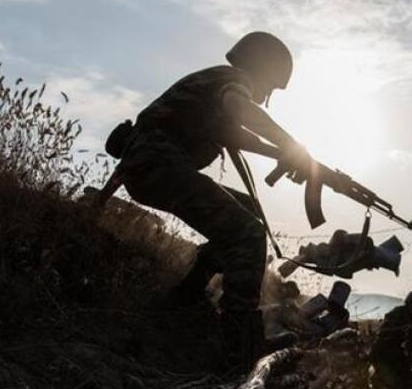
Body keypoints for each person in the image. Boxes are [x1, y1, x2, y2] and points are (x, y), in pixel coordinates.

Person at [100, 32, 313, 368]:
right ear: (260, 68)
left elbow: (234, 134)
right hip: (157, 165)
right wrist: (292, 148)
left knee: (247, 210)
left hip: (149, 167)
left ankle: (186, 296)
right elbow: (239, 107)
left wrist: (284, 156)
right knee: (248, 233)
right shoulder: (233, 79)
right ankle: (237, 348)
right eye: (270, 86)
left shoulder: (211, 85)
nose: (267, 95)